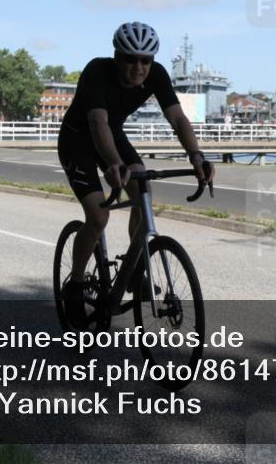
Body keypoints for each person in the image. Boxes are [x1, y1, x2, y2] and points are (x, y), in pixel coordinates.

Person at [57, 22, 214, 326]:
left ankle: (133, 270)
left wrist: (197, 157)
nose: (139, 67)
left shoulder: (156, 75)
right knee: (99, 217)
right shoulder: (97, 71)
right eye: (131, 59)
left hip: (113, 135)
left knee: (143, 198)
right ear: (117, 56)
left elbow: (178, 119)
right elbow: (97, 123)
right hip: (79, 140)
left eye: (146, 60)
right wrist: (114, 164)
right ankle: (75, 285)